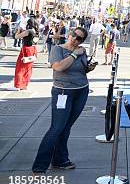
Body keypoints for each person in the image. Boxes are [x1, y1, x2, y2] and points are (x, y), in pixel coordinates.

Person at [32, 27, 96, 173]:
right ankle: (39, 165)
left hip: (81, 91)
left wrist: (89, 67)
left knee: (66, 127)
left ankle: (60, 160)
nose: (74, 39)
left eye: (79, 38)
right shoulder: (57, 49)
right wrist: (74, 55)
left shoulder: (82, 51)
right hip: (62, 92)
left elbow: (81, 68)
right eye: (74, 35)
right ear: (70, 33)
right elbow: (59, 67)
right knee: (56, 128)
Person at [13, 18, 40, 90]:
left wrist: (18, 30)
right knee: (28, 68)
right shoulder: (36, 31)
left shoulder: (28, 31)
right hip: (32, 49)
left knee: (20, 67)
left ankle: (18, 85)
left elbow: (16, 36)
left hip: (26, 49)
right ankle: (24, 85)